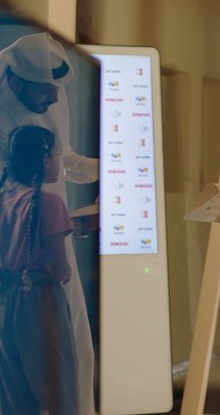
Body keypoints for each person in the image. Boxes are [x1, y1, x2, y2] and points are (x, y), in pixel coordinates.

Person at [0, 32, 98, 415]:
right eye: (45, 91)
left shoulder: (51, 100)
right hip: (38, 265)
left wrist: (114, 170)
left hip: (41, 247)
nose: (56, 98)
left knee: (71, 347)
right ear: (16, 82)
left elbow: (67, 159)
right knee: (50, 362)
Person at [0, 126, 80, 415]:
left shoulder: (5, 199)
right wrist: (66, 272)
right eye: (57, 153)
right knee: (55, 385)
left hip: (5, 298)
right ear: (46, 159)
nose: (59, 159)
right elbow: (59, 267)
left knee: (13, 390)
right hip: (40, 301)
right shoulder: (49, 203)